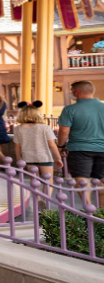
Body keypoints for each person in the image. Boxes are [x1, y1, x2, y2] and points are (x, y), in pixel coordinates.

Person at [58, 80, 104, 208]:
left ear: (77, 92)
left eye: (72, 92)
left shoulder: (70, 109)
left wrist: (61, 146)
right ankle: (101, 213)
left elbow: (64, 130)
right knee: (101, 180)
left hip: (79, 149)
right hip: (102, 149)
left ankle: (89, 208)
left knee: (82, 179)